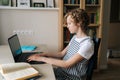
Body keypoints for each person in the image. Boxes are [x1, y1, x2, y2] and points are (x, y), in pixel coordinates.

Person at [27, 8, 94, 80]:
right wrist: (43, 54)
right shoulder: (75, 38)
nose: (67, 26)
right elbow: (61, 54)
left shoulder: (87, 44)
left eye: (69, 23)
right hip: (61, 72)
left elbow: (66, 64)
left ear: (79, 23)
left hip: (71, 77)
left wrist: (41, 59)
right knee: (36, 74)